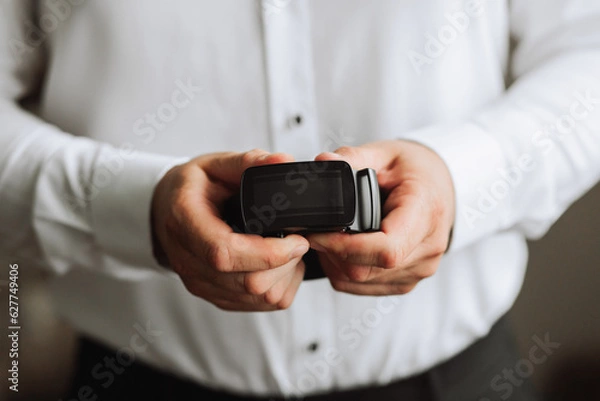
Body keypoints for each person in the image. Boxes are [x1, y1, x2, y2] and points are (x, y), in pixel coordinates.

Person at [1, 1, 599, 400]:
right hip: (136, 377)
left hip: (459, 379)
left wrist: (461, 176)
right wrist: (133, 209)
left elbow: (587, 52)